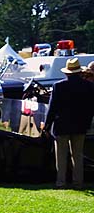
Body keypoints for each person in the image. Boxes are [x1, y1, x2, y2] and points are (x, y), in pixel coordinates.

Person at [45, 57, 94, 189]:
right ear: (79, 72)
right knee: (77, 155)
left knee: (61, 156)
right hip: (80, 126)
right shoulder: (89, 86)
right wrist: (87, 122)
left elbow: (52, 108)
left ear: (66, 72)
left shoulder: (58, 86)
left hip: (61, 125)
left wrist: (47, 125)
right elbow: (91, 108)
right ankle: (78, 182)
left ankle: (61, 182)